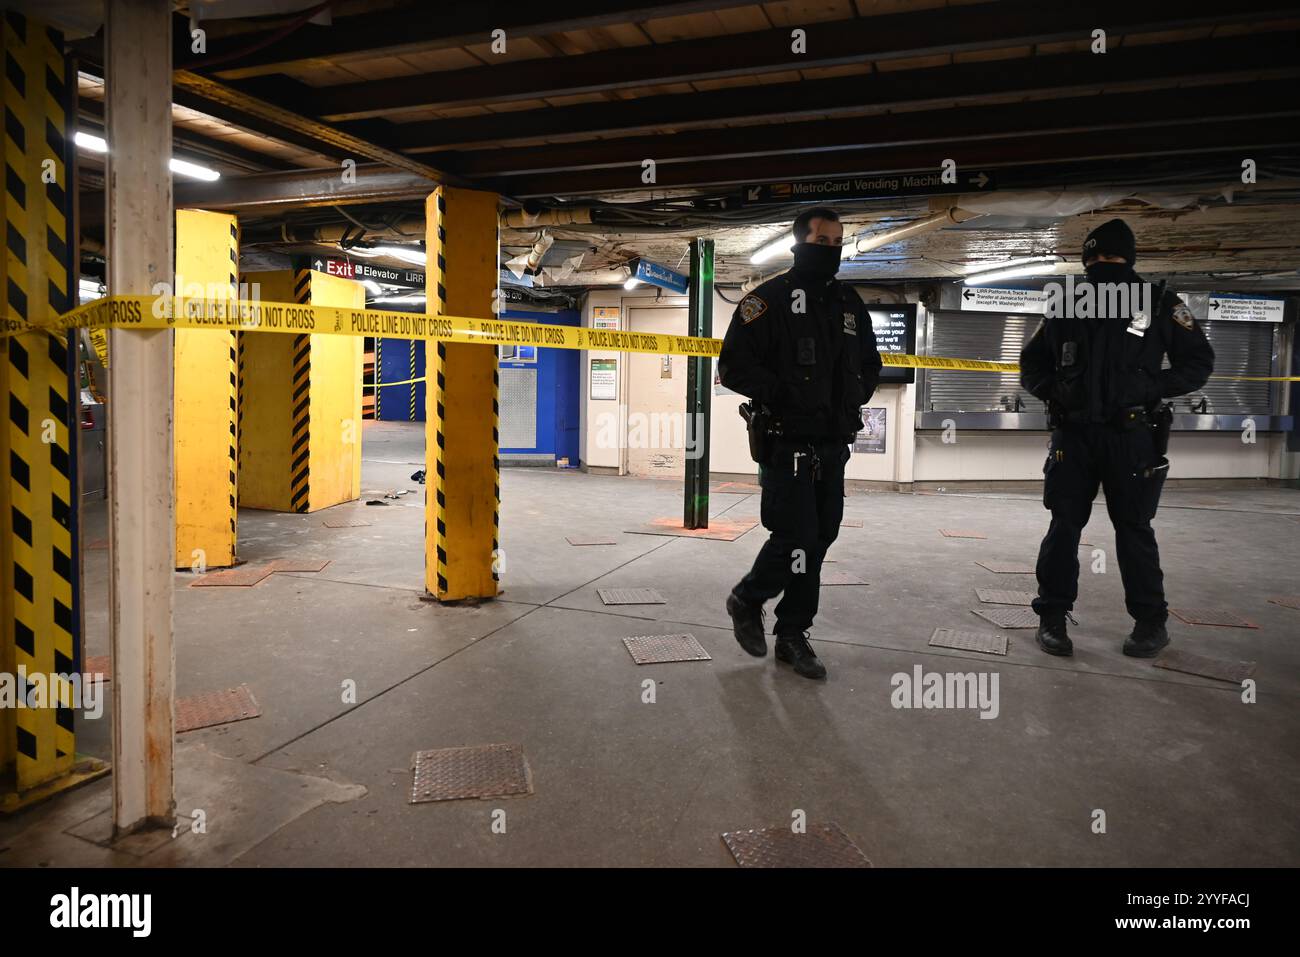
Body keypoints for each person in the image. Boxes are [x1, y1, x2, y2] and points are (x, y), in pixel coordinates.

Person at [1020, 218, 1214, 658]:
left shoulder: (1161, 304)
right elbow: (1031, 364)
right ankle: (1052, 617)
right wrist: (1057, 391)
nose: (1104, 265)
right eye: (1096, 259)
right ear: (1085, 261)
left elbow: (1199, 361)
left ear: (1130, 260)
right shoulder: (1067, 305)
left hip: (1132, 435)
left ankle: (1150, 622)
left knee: (1134, 529)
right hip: (1075, 436)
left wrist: (1153, 388)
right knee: (1064, 526)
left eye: (1113, 258)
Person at [719, 207, 883, 679]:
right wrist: (785, 394)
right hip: (785, 440)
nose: (830, 250)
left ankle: (793, 633)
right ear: (800, 242)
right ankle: (748, 598)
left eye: (837, 243)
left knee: (821, 538)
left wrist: (855, 395)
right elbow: (732, 368)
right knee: (797, 537)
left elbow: (870, 362)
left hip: (833, 443)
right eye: (822, 241)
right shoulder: (767, 301)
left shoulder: (849, 303)